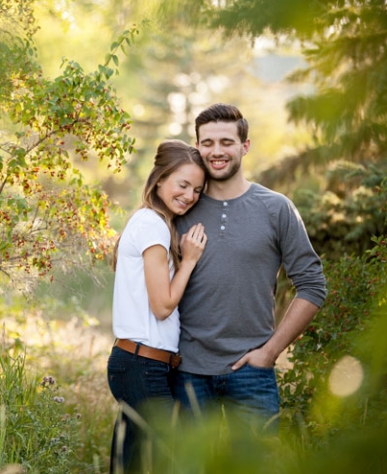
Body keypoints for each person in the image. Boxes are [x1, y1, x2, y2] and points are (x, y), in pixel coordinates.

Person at [173, 103, 327, 432]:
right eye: (208, 142)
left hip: (251, 372)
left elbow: (313, 286)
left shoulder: (276, 208)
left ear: (245, 146)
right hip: (187, 372)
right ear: (197, 146)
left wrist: (270, 352)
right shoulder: (180, 208)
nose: (216, 151)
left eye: (226, 142)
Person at [107, 139, 209, 473]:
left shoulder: (148, 221)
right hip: (141, 366)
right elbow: (163, 306)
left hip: (139, 363)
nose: (190, 195)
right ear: (160, 179)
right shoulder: (152, 225)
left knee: (131, 463)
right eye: (183, 184)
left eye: (197, 189)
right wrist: (190, 260)